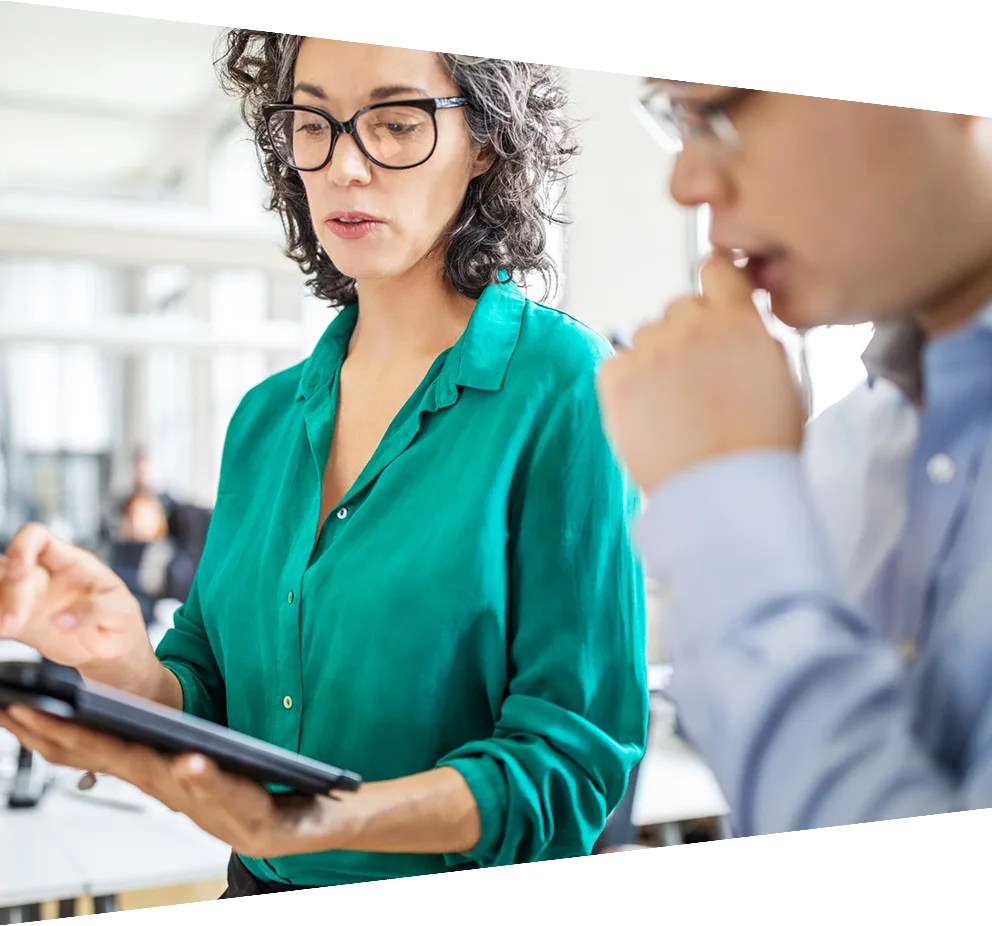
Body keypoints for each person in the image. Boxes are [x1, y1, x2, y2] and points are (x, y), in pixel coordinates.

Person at [0, 35, 648, 890]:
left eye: (395, 120)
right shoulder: (263, 420)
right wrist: (122, 666)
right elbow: (211, 689)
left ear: (485, 137)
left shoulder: (565, 389)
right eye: (314, 123)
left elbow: (574, 762)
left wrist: (326, 819)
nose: (345, 165)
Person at [597, 82, 992, 838]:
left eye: (723, 108)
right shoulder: (848, 453)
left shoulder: (766, 475)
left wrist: (722, 497)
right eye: (678, 120)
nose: (687, 183)